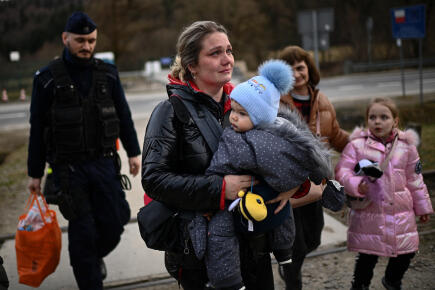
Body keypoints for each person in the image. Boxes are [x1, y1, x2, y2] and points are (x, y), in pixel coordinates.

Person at [142, 21, 295, 290]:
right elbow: (154, 179)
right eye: (215, 53)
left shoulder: (247, 102)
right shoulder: (169, 112)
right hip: (200, 251)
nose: (227, 60)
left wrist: (294, 183)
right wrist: (220, 188)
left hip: (255, 239)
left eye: (229, 50)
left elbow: (285, 148)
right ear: (192, 65)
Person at [27, 12, 141, 290]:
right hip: (69, 171)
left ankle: (91, 258)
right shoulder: (46, 79)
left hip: (104, 165)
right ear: (65, 38)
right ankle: (89, 276)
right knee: (83, 232)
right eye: (80, 40)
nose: (86, 46)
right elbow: (37, 129)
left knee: (116, 220)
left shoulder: (108, 74)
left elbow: (123, 116)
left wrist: (133, 152)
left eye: (91, 40)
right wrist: (34, 173)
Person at [199, 59, 333, 290]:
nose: (233, 117)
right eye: (233, 110)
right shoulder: (276, 130)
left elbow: (222, 163)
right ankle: (273, 258)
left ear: (260, 118)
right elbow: (306, 157)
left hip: (253, 198)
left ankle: (239, 273)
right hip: (246, 197)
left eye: (241, 114)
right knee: (267, 219)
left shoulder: (244, 138)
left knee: (227, 229)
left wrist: (293, 183)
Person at [335, 97, 433, 290]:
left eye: (384, 117)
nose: (377, 121)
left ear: (395, 121)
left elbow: (415, 179)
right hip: (369, 213)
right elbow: (342, 172)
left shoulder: (407, 147)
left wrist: (423, 207)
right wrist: (357, 184)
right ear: (366, 120)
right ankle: (360, 285)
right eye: (372, 117)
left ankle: (392, 280)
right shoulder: (356, 145)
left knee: (407, 251)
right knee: (367, 255)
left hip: (401, 212)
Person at [277, 45, 349, 289]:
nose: (296, 74)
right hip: (290, 182)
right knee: (295, 244)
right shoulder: (277, 102)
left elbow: (336, 135)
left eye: (300, 67)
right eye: (290, 70)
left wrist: (365, 144)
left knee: (314, 237)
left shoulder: (322, 100)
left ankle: (288, 266)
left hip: (317, 182)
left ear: (308, 68)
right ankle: (291, 278)